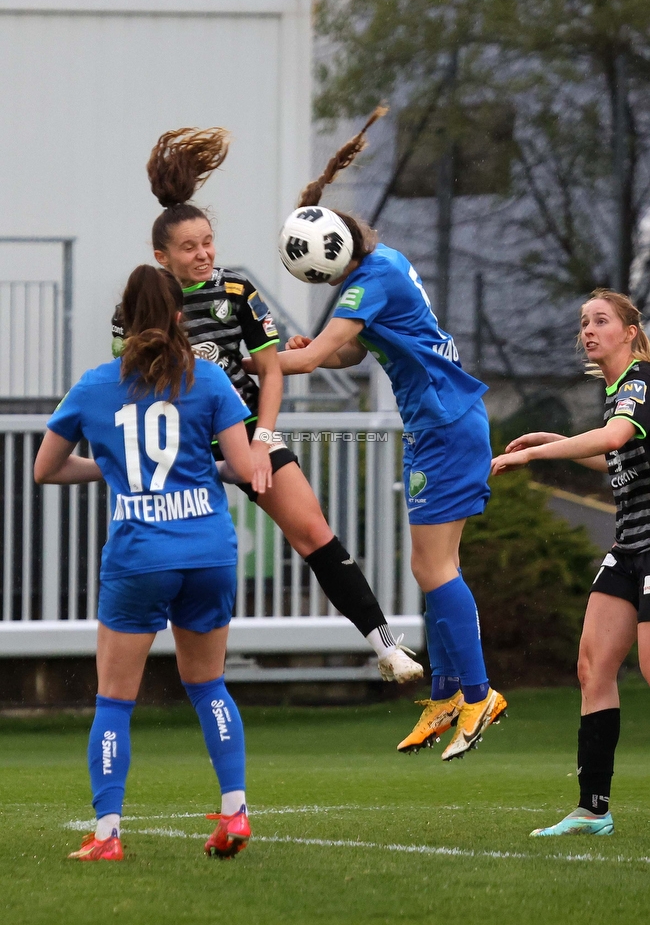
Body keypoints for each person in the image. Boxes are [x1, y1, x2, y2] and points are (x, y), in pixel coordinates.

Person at [111, 126, 423, 684]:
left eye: (208, 241)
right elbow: (128, 373)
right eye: (189, 247)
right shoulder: (145, 301)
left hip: (245, 429)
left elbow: (272, 368)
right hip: (178, 446)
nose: (204, 253)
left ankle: (385, 646)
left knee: (312, 529)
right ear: (162, 256)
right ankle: (141, 678)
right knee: (165, 555)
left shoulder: (238, 292)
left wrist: (262, 436)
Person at [269, 113, 507, 761]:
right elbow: (345, 354)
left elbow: (319, 357)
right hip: (442, 422)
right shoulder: (380, 264)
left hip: (446, 423)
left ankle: (480, 695)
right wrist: (310, 349)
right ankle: (449, 695)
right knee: (429, 568)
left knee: (435, 568)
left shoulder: (370, 281)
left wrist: (253, 358)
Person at [35, 265, 254, 861]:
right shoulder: (208, 380)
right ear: (181, 318)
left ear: (123, 324)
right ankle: (235, 813)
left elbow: (45, 468)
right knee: (209, 685)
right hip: (208, 550)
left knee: (114, 701)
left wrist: (110, 469)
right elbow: (243, 467)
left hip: (138, 557)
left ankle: (107, 835)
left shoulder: (93, 385)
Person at [492, 288, 650, 836]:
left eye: (601, 320)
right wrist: (556, 440)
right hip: (628, 547)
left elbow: (614, 437)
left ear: (629, 331)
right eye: (584, 321)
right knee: (592, 669)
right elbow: (615, 458)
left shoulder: (641, 381)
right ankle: (593, 809)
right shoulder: (615, 391)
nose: (588, 329)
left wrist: (536, 454)